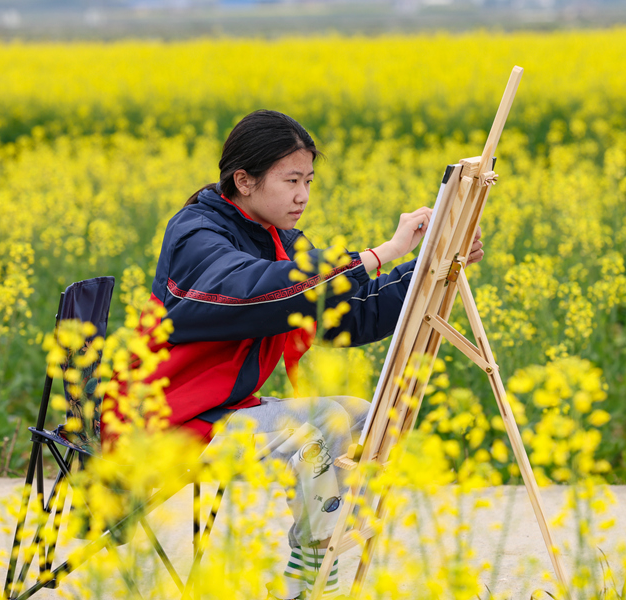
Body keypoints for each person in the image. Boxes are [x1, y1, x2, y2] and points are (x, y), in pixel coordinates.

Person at [125, 110, 483, 599]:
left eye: (309, 181)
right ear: (243, 180)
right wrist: (380, 253)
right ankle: (311, 583)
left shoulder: (277, 239)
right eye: (291, 180)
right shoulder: (197, 234)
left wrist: (429, 265)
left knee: (364, 419)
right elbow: (262, 293)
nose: (302, 196)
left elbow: (350, 314)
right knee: (322, 428)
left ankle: (310, 567)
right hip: (170, 415)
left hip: (223, 408)